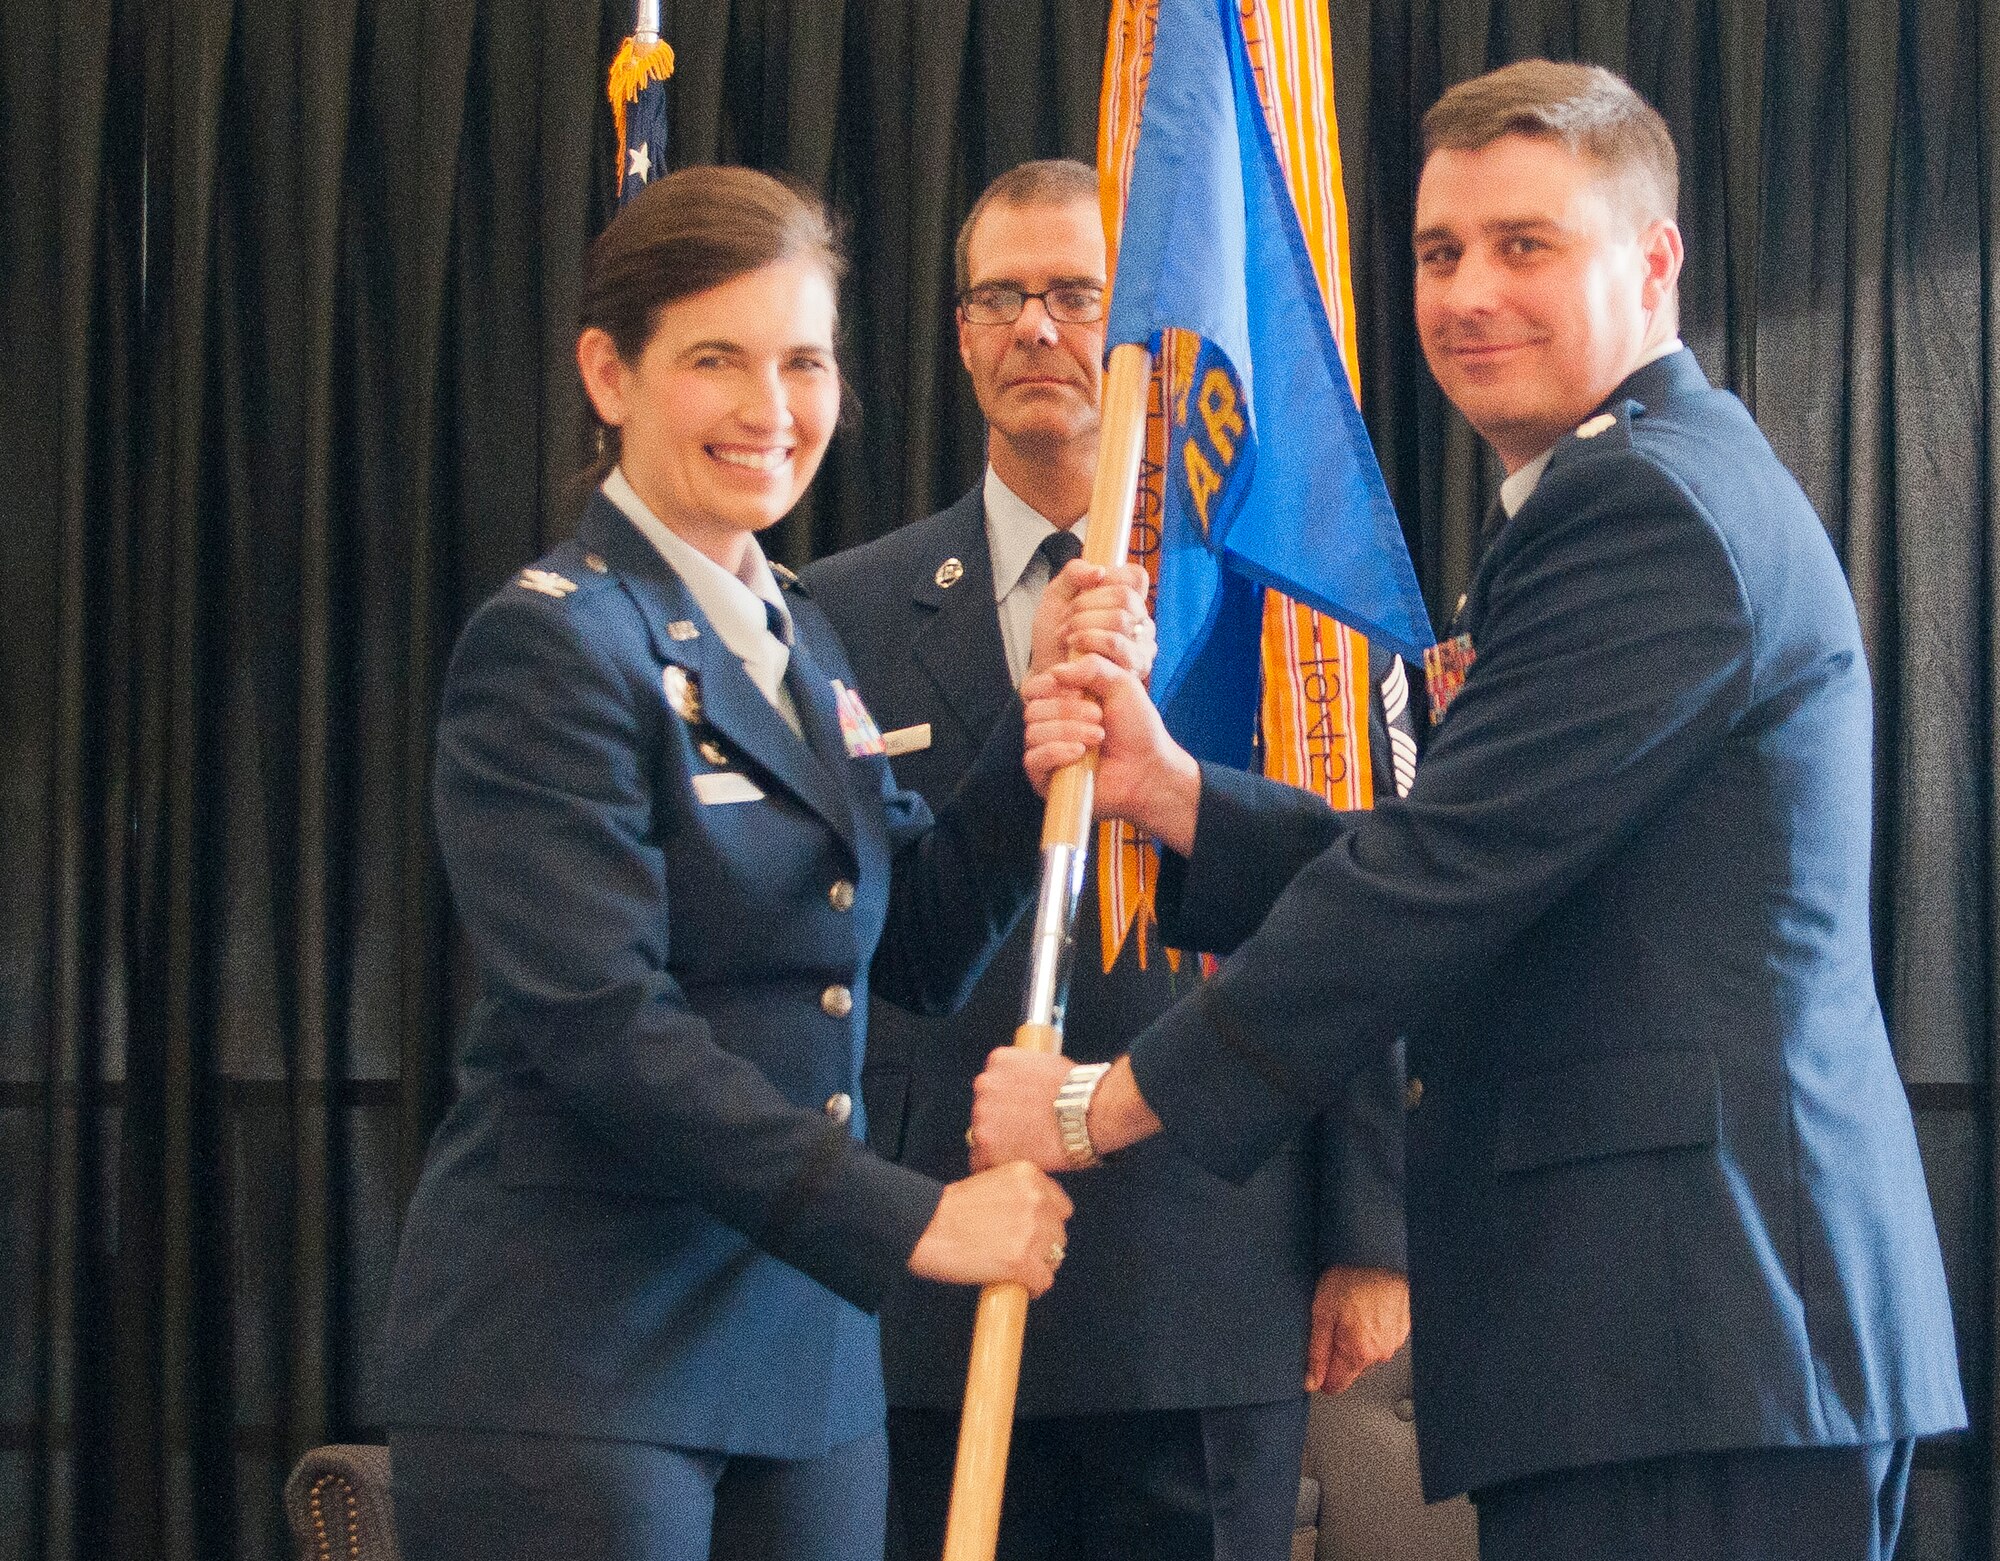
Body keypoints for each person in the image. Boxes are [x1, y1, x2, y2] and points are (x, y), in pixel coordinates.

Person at [971, 62, 1966, 1561]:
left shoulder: (1645, 511)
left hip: (1699, 1335)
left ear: (1654, 260)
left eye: (1526, 246)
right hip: (1676, 1347)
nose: (1468, 293)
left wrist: (1101, 1103)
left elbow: (1440, 876)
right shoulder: (1626, 494)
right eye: (1441, 253)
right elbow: (1486, 862)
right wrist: (1175, 795)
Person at [379, 165, 1152, 1561]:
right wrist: (915, 1219)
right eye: (717, 361)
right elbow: (608, 1030)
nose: (772, 410)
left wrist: (1032, 748)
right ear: (609, 373)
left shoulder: (800, 634)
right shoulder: (556, 644)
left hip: (801, 1369)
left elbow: (903, 942)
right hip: (579, 1360)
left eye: (804, 361)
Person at [805, 159, 1411, 1561]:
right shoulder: (835, 606)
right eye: (1001, 297)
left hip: (1202, 1258)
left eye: (1076, 294)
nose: (1037, 328)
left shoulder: (1274, 610)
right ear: (958, 334)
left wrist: (1368, 1224)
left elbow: (1368, 912)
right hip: (929, 1272)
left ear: (1133, 326)